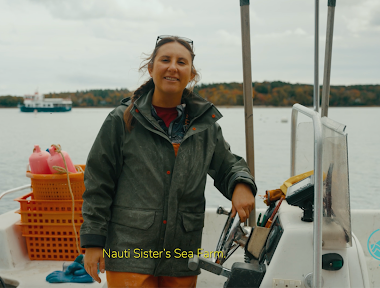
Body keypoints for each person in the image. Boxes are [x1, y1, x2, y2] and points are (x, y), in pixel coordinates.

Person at [79, 35, 257, 288]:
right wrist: (93, 242)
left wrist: (241, 185)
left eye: (181, 62)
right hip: (129, 252)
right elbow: (98, 184)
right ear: (151, 68)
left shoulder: (204, 126)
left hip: (181, 253)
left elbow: (228, 165)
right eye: (165, 60)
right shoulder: (121, 119)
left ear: (191, 74)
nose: (173, 67)